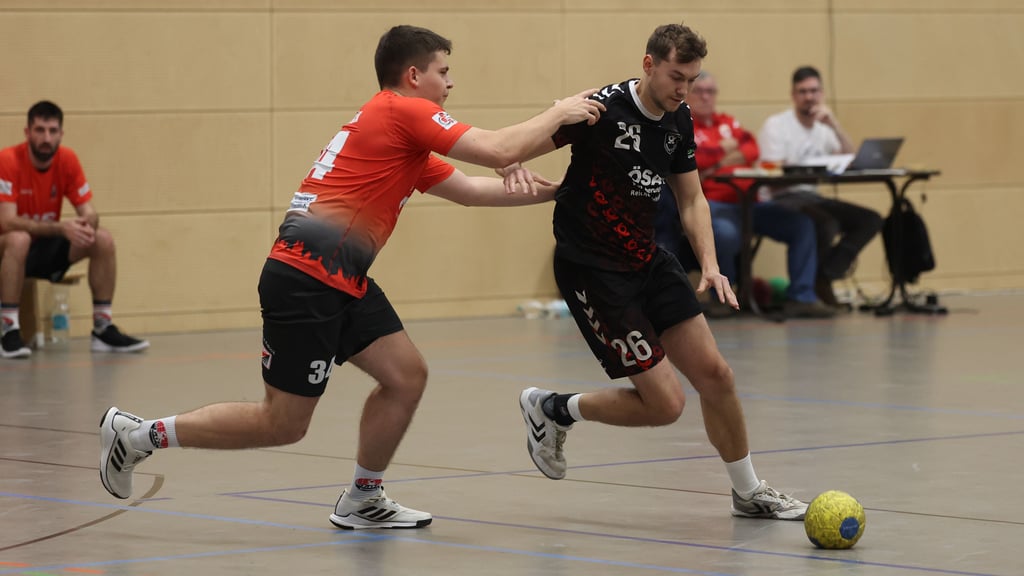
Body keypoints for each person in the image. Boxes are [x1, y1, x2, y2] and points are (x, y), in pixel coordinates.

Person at [96, 25, 604, 531]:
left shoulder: (397, 134)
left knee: (406, 376)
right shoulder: (402, 110)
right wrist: (559, 112)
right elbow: (495, 149)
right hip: (306, 278)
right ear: (413, 75)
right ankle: (139, 436)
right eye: (443, 72)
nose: (450, 84)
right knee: (283, 424)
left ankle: (364, 497)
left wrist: (561, 190)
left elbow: (472, 190)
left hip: (342, 277)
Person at [517, 23, 807, 520]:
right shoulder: (601, 109)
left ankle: (748, 491)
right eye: (677, 77)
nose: (684, 89)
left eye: (692, 79)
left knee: (717, 374)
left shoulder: (680, 117)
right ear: (649, 64)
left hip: (647, 258)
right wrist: (508, 163)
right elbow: (523, 140)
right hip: (594, 270)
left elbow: (691, 197)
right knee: (666, 406)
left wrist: (713, 266)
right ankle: (554, 408)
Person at [654, 72, 834, 319]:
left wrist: (714, 162)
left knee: (801, 224)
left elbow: (751, 146)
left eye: (711, 91)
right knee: (725, 235)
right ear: (689, 92)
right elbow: (696, 157)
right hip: (712, 203)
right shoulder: (683, 123)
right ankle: (723, 298)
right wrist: (722, 151)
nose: (706, 97)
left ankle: (802, 297)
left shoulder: (727, 122)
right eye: (700, 91)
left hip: (750, 203)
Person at [0, 100, 150, 359]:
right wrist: (61, 227)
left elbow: (90, 212)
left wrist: (87, 225)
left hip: (44, 250)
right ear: (27, 133)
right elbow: (7, 221)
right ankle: (9, 329)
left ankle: (103, 328)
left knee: (102, 239)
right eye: (40, 130)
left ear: (61, 134)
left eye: (52, 130)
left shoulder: (67, 160)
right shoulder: (8, 160)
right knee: (18, 238)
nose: (46, 137)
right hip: (10, 252)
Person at [758, 66, 883, 306]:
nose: (809, 97)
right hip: (782, 196)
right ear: (793, 95)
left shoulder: (824, 129)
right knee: (826, 222)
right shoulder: (776, 125)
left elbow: (850, 160)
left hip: (812, 196)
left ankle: (825, 275)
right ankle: (814, 287)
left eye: (814, 91)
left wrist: (834, 124)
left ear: (822, 93)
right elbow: (772, 175)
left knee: (870, 219)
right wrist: (809, 171)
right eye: (803, 91)